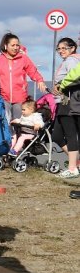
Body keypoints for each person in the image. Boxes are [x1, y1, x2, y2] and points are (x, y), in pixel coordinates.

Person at [0, 34, 46, 121]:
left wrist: (40, 80)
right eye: (13, 45)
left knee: (19, 123)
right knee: (5, 123)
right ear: (5, 46)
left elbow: (32, 71)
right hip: (3, 97)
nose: (15, 48)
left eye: (17, 45)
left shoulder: (23, 59)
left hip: (19, 98)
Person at [53, 38, 80, 178]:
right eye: (59, 49)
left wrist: (61, 84)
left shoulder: (71, 60)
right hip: (62, 102)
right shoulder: (68, 60)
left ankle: (72, 167)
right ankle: (75, 163)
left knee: (70, 134)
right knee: (56, 135)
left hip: (67, 102)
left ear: (73, 48)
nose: (61, 51)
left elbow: (75, 77)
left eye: (64, 48)